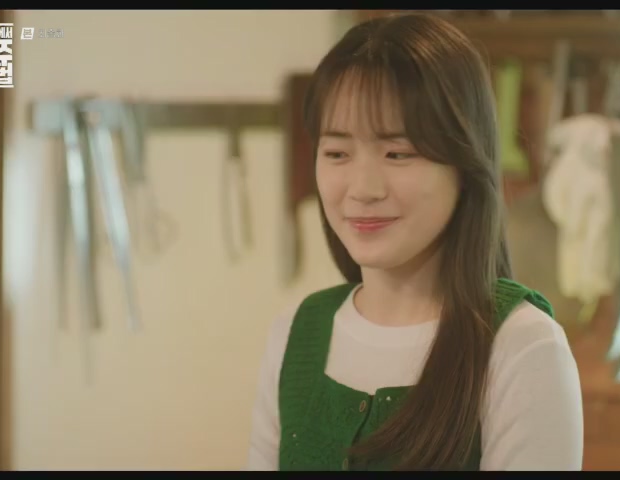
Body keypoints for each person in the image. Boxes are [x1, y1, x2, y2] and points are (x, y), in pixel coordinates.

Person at [246, 13, 583, 471]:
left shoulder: (522, 346)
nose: (363, 189)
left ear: (464, 164)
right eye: (337, 153)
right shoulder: (294, 336)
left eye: (398, 153)